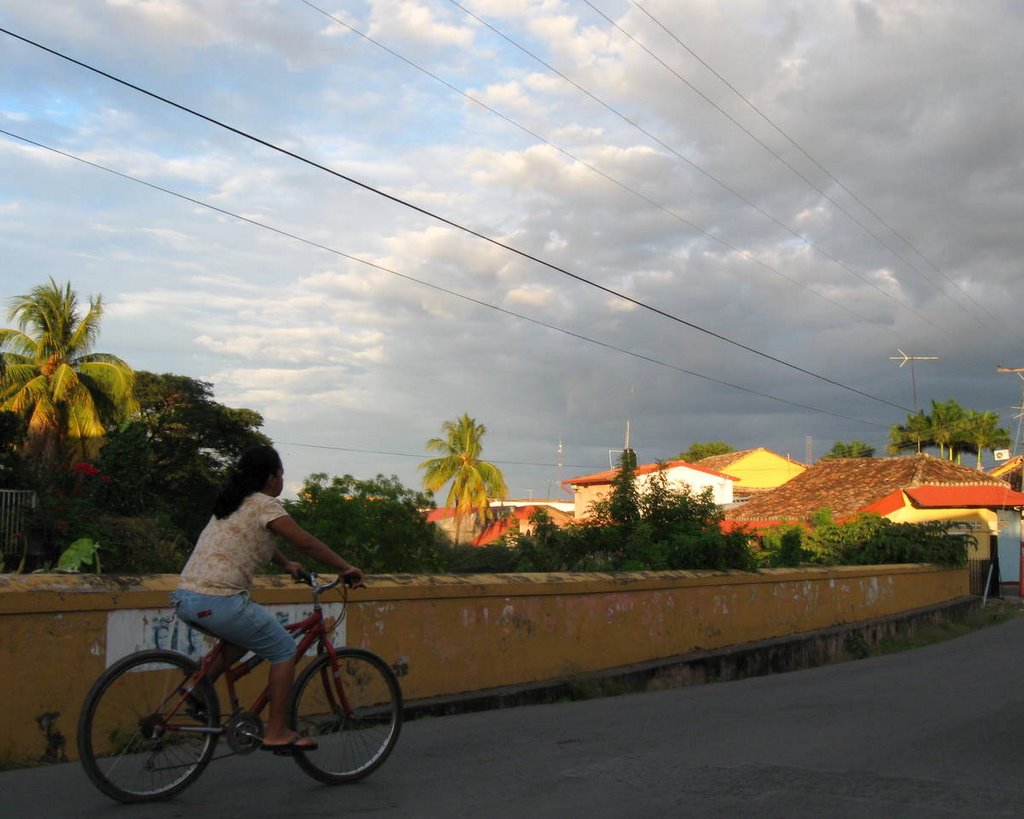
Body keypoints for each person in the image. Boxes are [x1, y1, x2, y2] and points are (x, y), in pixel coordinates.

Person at [171, 445, 363, 753]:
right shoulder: (265, 505)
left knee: (240, 639)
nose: (282, 479)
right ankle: (277, 732)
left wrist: (286, 564)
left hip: (186, 598)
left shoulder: (233, 503)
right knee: (284, 650)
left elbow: (255, 539)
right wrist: (345, 567)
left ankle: (196, 690)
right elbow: (307, 542)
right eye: (281, 474)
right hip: (220, 600)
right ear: (272, 477)